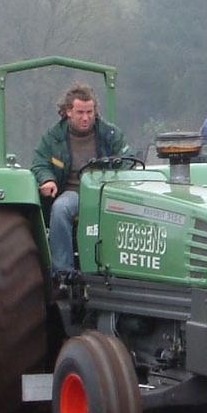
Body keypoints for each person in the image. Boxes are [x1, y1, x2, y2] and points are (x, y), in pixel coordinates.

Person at [32, 83, 129, 276]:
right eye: (80, 112)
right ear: (68, 112)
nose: (86, 118)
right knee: (60, 208)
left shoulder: (110, 134)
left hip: (107, 193)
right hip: (75, 194)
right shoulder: (54, 138)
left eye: (90, 112)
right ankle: (63, 272)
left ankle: (123, 269)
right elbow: (39, 163)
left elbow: (128, 160)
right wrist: (47, 180)